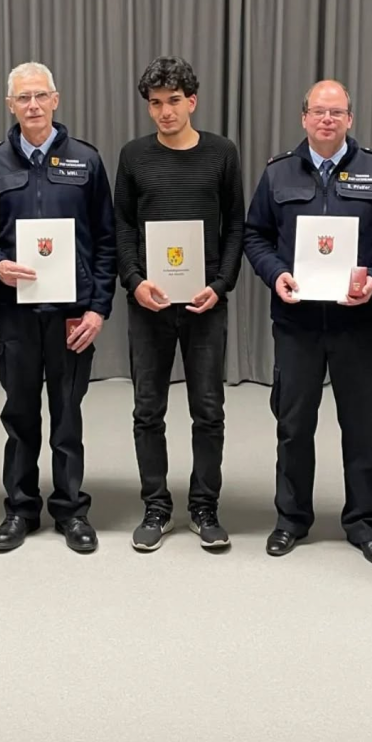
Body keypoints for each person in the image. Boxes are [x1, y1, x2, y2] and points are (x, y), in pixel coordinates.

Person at [244, 80, 372, 567]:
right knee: (294, 425)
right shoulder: (277, 173)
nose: (327, 120)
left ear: (350, 119)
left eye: (336, 112)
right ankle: (291, 519)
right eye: (318, 111)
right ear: (304, 118)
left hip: (358, 322)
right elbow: (255, 235)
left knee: (362, 426)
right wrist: (275, 275)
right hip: (296, 322)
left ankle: (365, 523)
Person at [0, 62, 116, 554]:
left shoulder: (87, 160)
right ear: (10, 105)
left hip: (72, 312)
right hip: (16, 310)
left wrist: (98, 309)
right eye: (22, 98)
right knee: (19, 413)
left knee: (67, 414)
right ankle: (20, 508)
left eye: (40, 96)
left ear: (55, 100)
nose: (32, 105)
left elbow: (105, 239)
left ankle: (71, 509)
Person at [113, 57, 244, 552]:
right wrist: (134, 281)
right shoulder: (133, 156)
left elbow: (236, 224)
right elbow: (123, 225)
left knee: (208, 409)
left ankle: (205, 506)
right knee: (148, 409)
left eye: (173, 101)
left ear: (192, 101)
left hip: (204, 302)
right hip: (150, 303)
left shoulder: (221, 153)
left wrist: (221, 283)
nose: (165, 112)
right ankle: (156, 505)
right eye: (155, 103)